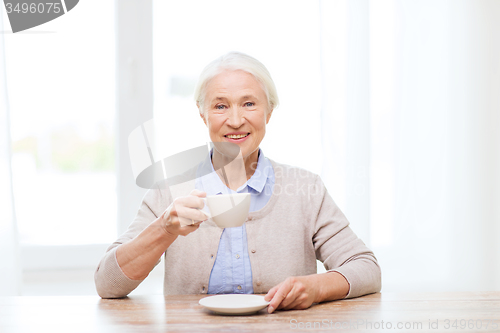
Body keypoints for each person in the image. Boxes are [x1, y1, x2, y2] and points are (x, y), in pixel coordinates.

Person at [95, 52, 381, 313]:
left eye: (249, 103)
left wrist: (316, 287)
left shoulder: (306, 188)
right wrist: (162, 230)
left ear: (268, 112)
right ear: (202, 114)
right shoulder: (169, 189)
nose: (235, 120)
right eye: (220, 106)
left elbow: (367, 269)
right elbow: (107, 284)